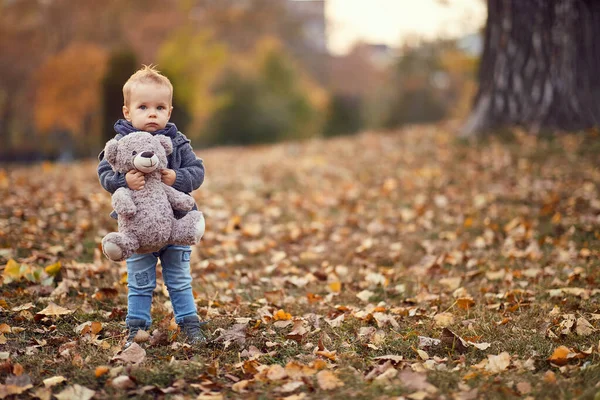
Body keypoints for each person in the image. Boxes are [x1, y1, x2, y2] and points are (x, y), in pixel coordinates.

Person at [98, 65, 207, 348]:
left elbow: (198, 170)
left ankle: (189, 323)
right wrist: (123, 180)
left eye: (159, 107)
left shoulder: (178, 142)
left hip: (175, 225)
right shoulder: (120, 144)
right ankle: (136, 327)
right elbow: (104, 174)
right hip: (137, 230)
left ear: (169, 112)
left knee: (179, 279)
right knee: (140, 281)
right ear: (127, 111)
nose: (152, 113)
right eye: (143, 106)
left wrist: (178, 177)